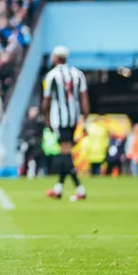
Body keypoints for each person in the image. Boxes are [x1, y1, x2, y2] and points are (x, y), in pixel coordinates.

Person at [42, 46, 89, 202]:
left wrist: (46, 118)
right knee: (65, 152)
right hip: (74, 118)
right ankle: (58, 188)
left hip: (59, 119)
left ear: (56, 57)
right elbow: (84, 98)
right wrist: (85, 119)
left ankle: (80, 189)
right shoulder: (78, 74)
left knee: (65, 153)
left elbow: (46, 100)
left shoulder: (52, 76)